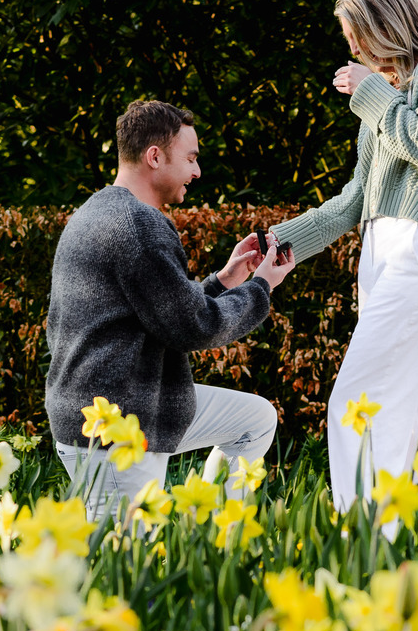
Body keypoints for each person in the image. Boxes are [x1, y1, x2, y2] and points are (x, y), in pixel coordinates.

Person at [269, 0, 418, 520]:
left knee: (353, 402)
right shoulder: (385, 95)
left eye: (355, 38)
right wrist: (282, 240)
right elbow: (354, 199)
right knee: (417, 407)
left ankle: (362, 536)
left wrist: (368, 93)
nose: (353, 52)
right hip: (380, 254)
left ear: (383, 26)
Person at [46, 99, 296, 520]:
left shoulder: (98, 210)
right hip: (117, 429)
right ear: (155, 156)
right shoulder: (139, 225)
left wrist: (226, 279)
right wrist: (262, 287)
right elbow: (194, 328)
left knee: (255, 420)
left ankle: (216, 530)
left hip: (123, 403)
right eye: (192, 158)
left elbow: (163, 311)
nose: (197, 171)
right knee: (123, 573)